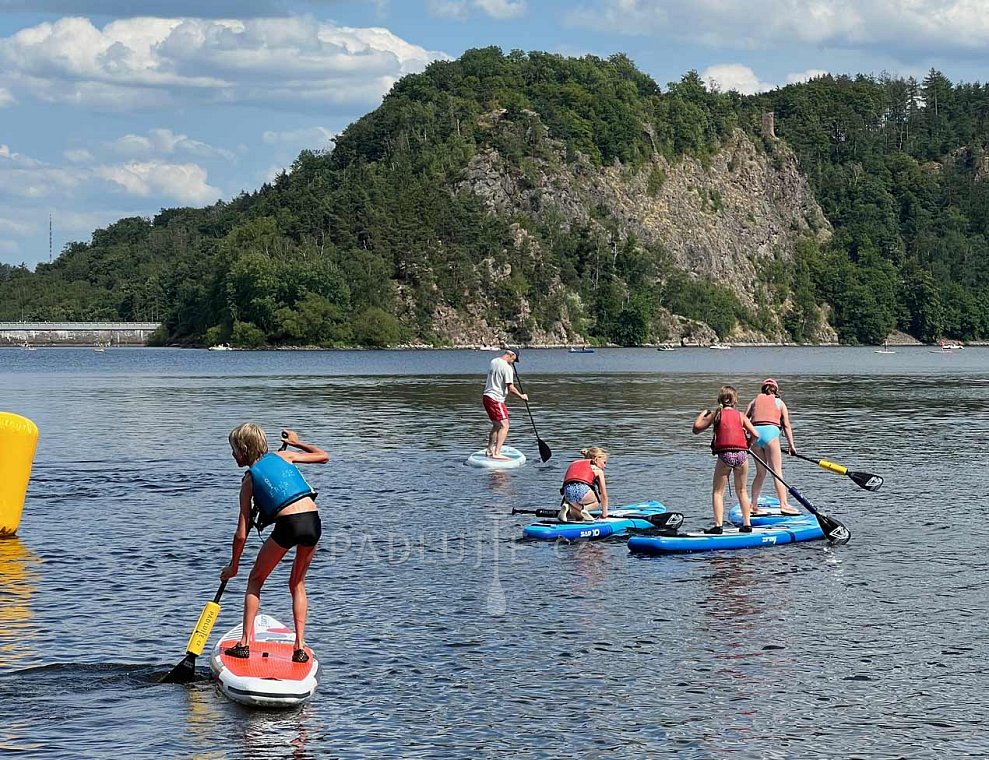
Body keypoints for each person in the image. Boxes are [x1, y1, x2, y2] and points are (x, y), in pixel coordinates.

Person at [220, 424, 329, 663]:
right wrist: (296, 443)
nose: (232, 455)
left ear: (245, 449)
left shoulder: (249, 480)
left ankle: (244, 644)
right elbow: (323, 456)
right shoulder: (284, 456)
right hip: (313, 521)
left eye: (234, 450)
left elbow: (241, 533)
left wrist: (233, 566)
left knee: (255, 580)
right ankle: (299, 647)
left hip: (289, 524)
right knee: (297, 582)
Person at [692, 385, 758, 534]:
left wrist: (703, 414)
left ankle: (718, 526)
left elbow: (696, 428)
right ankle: (747, 524)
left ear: (720, 400)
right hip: (742, 455)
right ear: (735, 400)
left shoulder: (716, 414)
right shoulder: (741, 415)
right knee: (742, 490)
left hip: (726, 456)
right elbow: (755, 434)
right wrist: (748, 444)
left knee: (717, 492)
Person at [745, 378, 799, 516]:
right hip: (770, 435)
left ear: (762, 390)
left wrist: (746, 440)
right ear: (776, 390)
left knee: (760, 473)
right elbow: (786, 425)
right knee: (777, 472)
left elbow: (744, 421)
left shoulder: (754, 402)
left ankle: (753, 505)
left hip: (755, 437)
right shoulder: (780, 403)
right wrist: (791, 446)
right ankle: (784, 505)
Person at [482, 348, 527, 459]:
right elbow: (510, 387)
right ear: (511, 355)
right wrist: (522, 396)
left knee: (497, 425)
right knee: (505, 425)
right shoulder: (507, 368)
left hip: (486, 397)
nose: (513, 363)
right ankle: (496, 453)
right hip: (495, 399)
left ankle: (489, 450)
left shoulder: (494, 361)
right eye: (514, 360)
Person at [558, 447, 609, 522]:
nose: (605, 466)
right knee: (597, 502)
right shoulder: (598, 470)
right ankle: (585, 509)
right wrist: (604, 515)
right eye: (604, 462)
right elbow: (604, 495)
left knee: (577, 516)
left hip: (567, 492)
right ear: (595, 460)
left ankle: (567, 506)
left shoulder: (574, 463)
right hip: (583, 491)